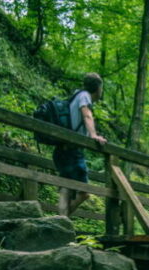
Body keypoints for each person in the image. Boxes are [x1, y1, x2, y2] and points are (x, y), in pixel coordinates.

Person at [54, 73, 107, 216]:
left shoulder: (76, 95)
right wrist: (94, 135)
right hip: (72, 150)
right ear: (98, 87)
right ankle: (61, 220)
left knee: (67, 187)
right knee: (84, 192)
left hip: (64, 148)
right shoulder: (84, 96)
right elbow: (87, 114)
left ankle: (60, 221)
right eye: (101, 87)